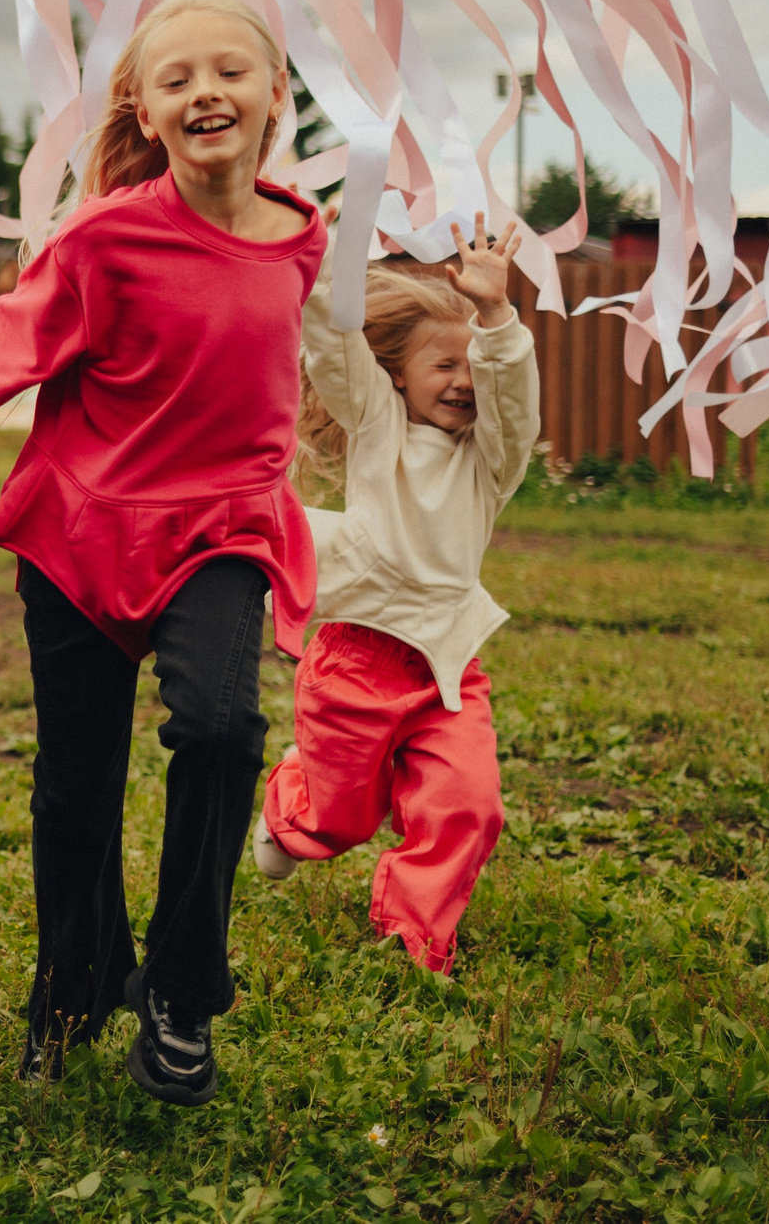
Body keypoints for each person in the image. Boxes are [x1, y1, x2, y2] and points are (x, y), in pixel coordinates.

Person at [0, 0, 325, 1107]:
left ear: (276, 92)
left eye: (229, 71)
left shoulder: (300, 238)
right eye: (176, 79)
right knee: (76, 791)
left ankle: (182, 994)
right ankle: (74, 980)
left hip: (222, 532)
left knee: (222, 733)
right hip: (82, 531)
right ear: (143, 105)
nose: (206, 93)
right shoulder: (106, 238)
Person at [252, 218, 535, 977]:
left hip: (446, 669)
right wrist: (322, 269)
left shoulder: (490, 464)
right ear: (399, 375)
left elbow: (516, 406)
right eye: (445, 363)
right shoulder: (380, 427)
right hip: (357, 661)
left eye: (475, 366)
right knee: (339, 817)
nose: (465, 379)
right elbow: (337, 353)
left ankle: (414, 940)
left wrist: (496, 319)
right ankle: (292, 795)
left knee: (469, 805)